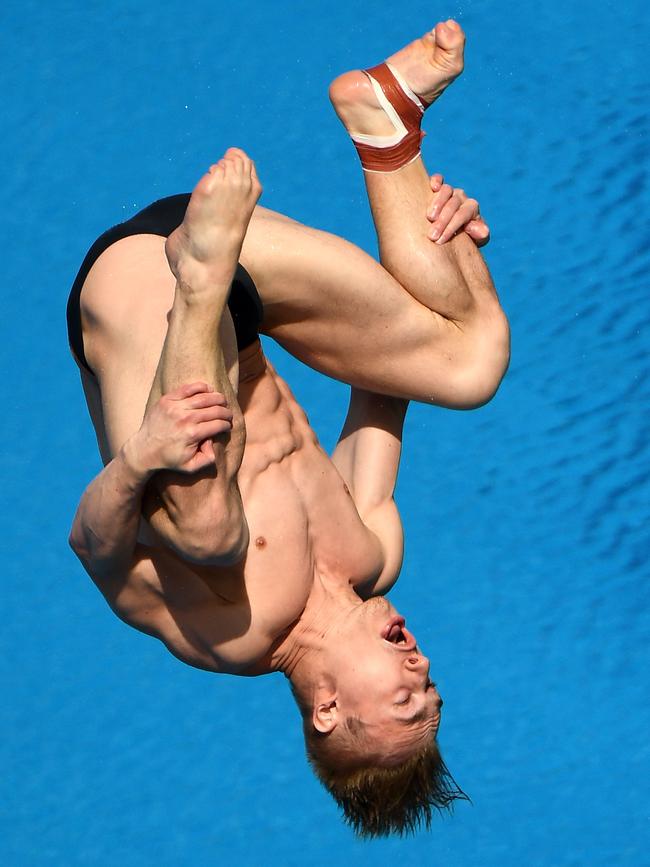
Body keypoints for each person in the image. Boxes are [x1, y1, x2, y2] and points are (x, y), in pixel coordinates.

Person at [68, 21, 509, 837]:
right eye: (433, 688)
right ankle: (386, 118)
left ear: (330, 710)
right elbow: (385, 380)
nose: (423, 667)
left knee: (205, 530)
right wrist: (456, 252)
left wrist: (137, 463)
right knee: (470, 363)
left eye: (406, 695)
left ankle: (199, 282)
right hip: (235, 261)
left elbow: (97, 549)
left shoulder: (229, 637)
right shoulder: (373, 551)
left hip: (142, 296)